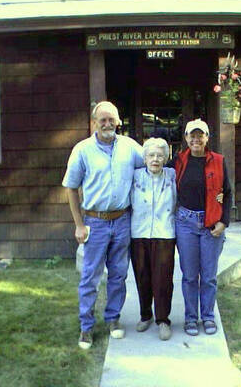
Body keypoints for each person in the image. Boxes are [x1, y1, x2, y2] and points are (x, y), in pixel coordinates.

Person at [62, 101, 143, 349]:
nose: (107, 124)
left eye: (112, 119)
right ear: (94, 122)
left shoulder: (130, 147)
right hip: (94, 223)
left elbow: (151, 164)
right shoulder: (82, 150)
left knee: (118, 275)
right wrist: (78, 225)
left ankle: (113, 319)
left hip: (122, 221)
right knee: (90, 277)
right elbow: (71, 187)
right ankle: (86, 327)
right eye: (102, 120)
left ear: (118, 122)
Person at [171, 118, 231, 336]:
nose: (196, 139)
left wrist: (224, 221)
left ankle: (207, 316)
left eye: (201, 135)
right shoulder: (178, 161)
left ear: (207, 138)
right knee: (189, 275)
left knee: (208, 275)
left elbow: (228, 192)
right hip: (185, 223)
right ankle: (190, 318)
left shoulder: (218, 160)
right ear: (186, 138)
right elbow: (154, 168)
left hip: (210, 224)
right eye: (192, 135)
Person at [130, 138, 176, 341]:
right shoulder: (135, 176)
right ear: (145, 158)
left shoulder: (173, 176)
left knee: (163, 279)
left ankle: (163, 320)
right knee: (142, 276)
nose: (155, 159)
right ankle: (145, 315)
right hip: (139, 232)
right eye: (151, 155)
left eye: (159, 155)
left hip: (165, 232)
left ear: (166, 158)